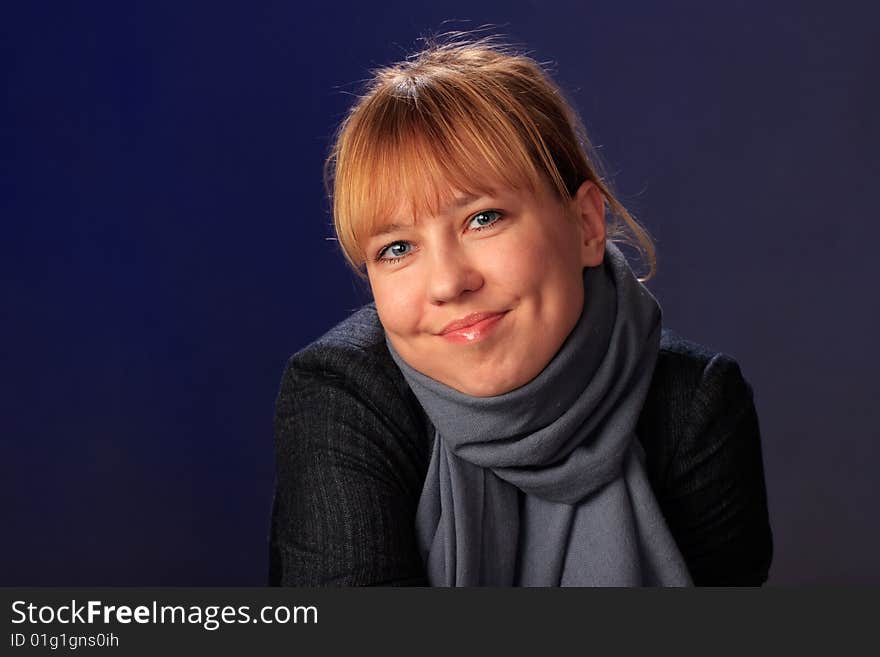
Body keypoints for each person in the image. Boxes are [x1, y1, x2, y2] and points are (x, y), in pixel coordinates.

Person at [267, 35, 773, 586]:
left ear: (585, 225)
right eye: (397, 248)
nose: (448, 283)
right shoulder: (345, 394)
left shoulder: (694, 405)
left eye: (482, 219)